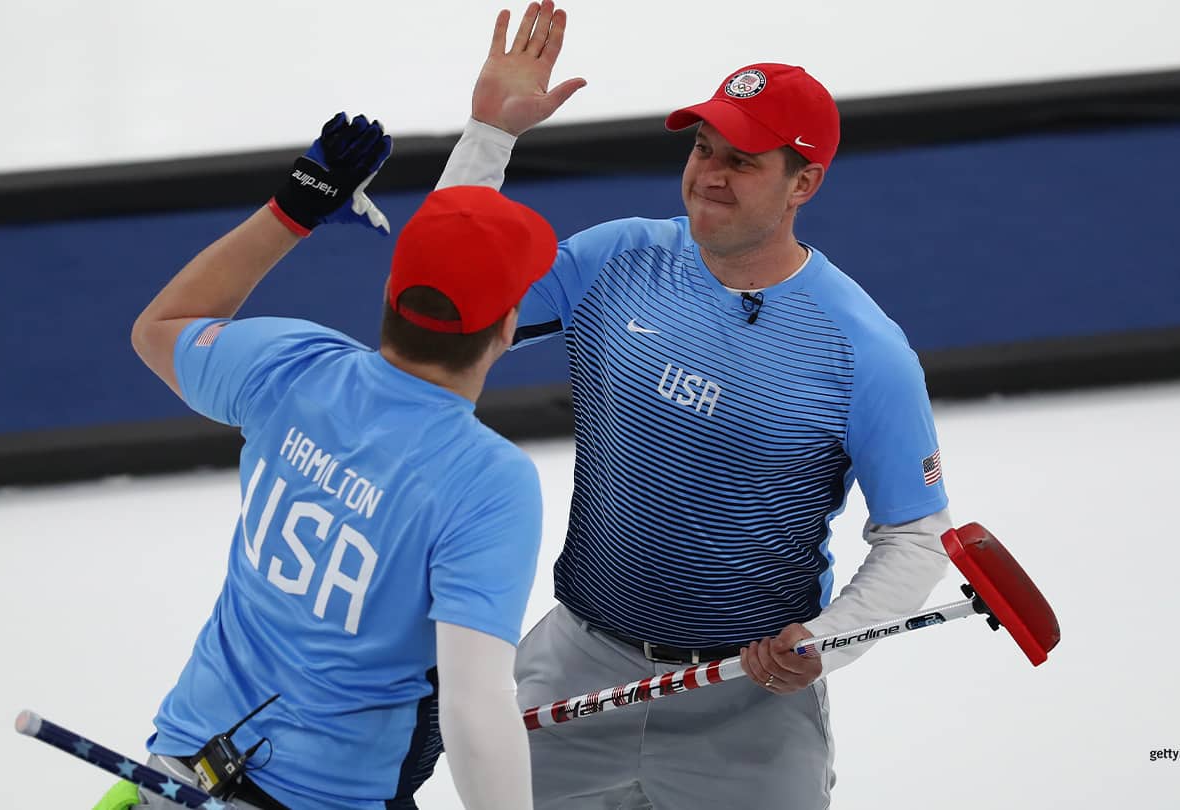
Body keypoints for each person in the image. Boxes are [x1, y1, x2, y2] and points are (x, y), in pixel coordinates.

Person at [436, 4, 954, 808]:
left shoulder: (864, 350)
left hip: (750, 706)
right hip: (575, 671)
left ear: (804, 182)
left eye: (742, 161)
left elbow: (915, 537)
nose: (707, 173)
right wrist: (488, 136)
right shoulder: (616, 258)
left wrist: (824, 644)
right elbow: (447, 299)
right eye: (703, 148)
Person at [105, 111, 559, 810]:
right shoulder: (487, 481)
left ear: (388, 296)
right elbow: (473, 711)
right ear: (507, 327)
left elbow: (157, 330)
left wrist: (293, 209)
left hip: (179, 767)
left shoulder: (293, 366)